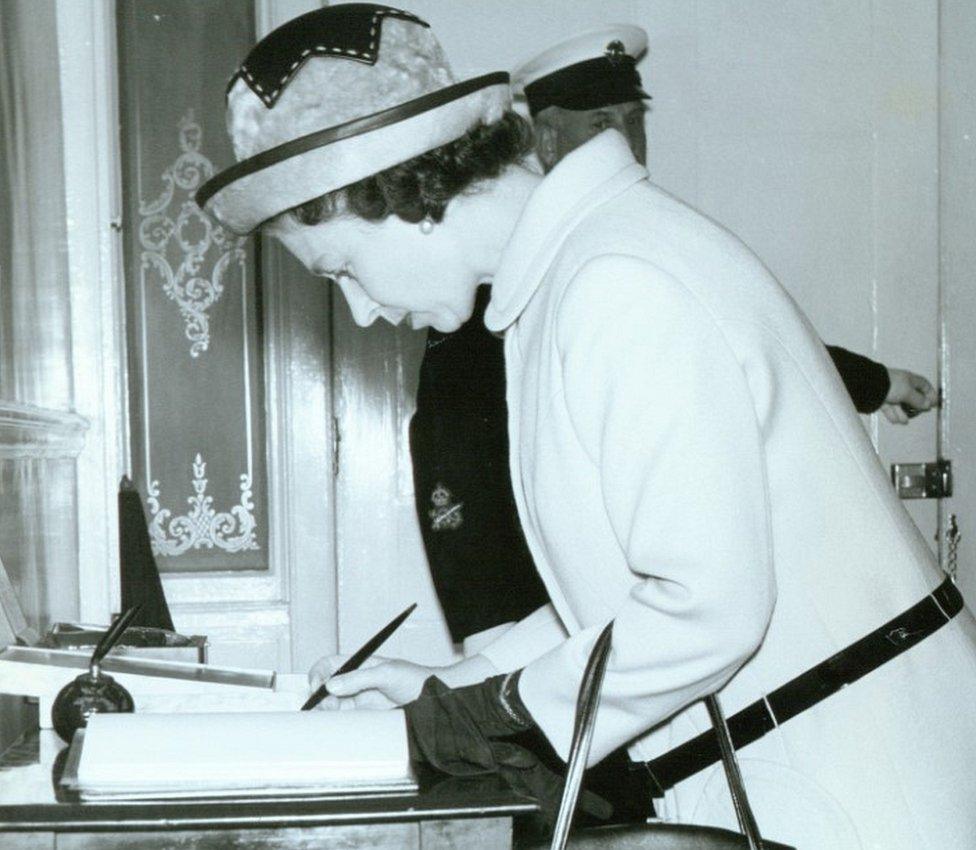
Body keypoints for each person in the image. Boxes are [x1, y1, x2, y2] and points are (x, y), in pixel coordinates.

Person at [197, 6, 976, 848]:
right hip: (806, 760)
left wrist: (469, 721)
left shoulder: (617, 278)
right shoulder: (568, 276)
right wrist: (457, 682)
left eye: (343, 268)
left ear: (406, 194)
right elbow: (621, 584)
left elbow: (704, 607)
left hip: (860, 782)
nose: (361, 308)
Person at [410, 25, 940, 655]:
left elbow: (734, 338)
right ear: (547, 138)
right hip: (553, 624)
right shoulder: (518, 260)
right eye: (601, 122)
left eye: (635, 119)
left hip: (638, 626)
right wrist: (487, 642)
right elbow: (454, 456)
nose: (627, 143)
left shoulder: (617, 237)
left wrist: (877, 384)